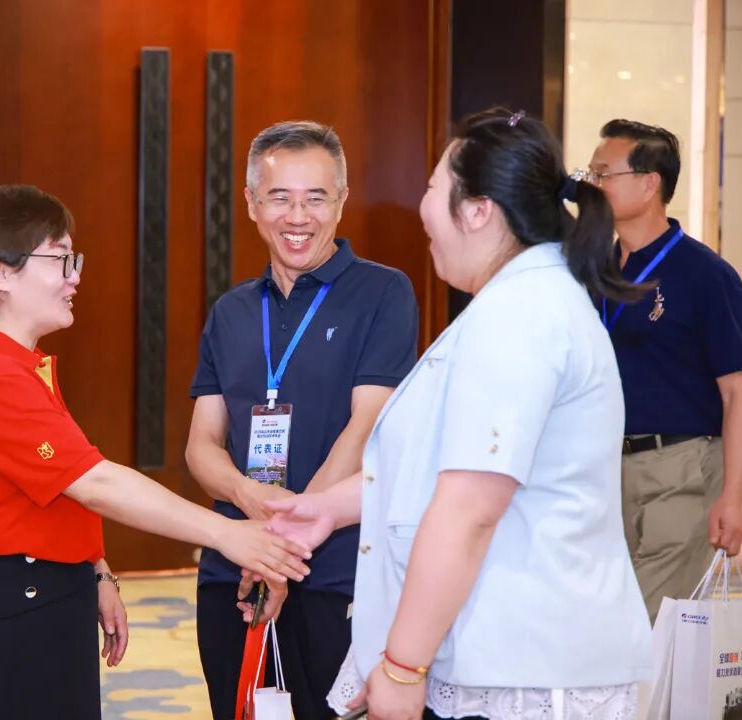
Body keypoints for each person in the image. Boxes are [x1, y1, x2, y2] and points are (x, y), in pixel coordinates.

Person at [266, 109, 652, 720]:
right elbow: (444, 464)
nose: (421, 207)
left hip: (527, 659)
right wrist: (331, 508)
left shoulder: (520, 315)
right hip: (510, 650)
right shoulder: (515, 303)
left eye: (431, 187)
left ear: (476, 211)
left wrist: (403, 664)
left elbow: (470, 508)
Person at [0, 184, 312, 720]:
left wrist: (96, 570)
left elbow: (49, 489)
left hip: (39, 600)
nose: (75, 277)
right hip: (7, 617)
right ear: (1, 273)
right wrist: (226, 534)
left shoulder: (16, 364)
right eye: (60, 259)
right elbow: (96, 483)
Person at [185, 120, 418, 720]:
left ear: (341, 201)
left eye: (316, 198)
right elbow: (202, 444)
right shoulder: (232, 310)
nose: (298, 217)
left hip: (334, 574)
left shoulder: (383, 293)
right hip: (234, 571)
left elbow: (366, 427)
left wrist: (283, 548)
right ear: (251, 203)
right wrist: (247, 497)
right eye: (279, 198)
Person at [586, 120, 742, 622]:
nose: (592, 186)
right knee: (609, 625)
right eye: (589, 174)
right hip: (606, 471)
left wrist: (732, 498)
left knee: (648, 630)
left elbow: (740, 394)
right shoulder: (593, 271)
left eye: (603, 174)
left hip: (681, 469)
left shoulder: (706, 275)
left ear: (649, 183)